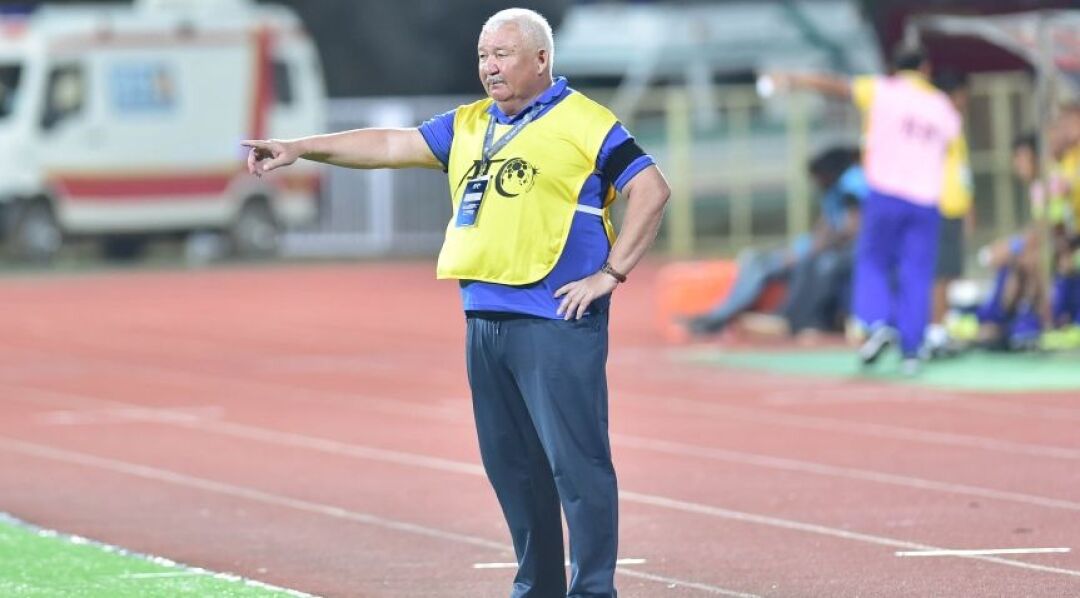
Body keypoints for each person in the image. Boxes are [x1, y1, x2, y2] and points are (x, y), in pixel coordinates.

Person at [243, 9, 669, 598]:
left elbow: (651, 188)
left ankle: (594, 590)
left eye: (503, 54)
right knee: (513, 470)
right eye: (483, 56)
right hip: (484, 317)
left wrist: (611, 274)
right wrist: (299, 148)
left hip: (556, 319)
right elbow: (390, 143)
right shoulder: (470, 123)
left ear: (541, 59)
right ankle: (539, 587)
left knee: (577, 465)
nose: (490, 67)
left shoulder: (585, 121)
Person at [769, 48, 962, 374]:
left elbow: (836, 86)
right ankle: (912, 351)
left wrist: (793, 79)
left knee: (873, 263)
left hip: (887, 195)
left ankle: (878, 322)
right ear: (926, 69)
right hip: (926, 201)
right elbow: (952, 152)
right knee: (916, 273)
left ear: (893, 68)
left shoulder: (883, 90)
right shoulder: (941, 105)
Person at [684, 146, 864, 338]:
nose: (815, 183)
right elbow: (825, 227)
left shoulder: (850, 185)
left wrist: (806, 252)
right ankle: (719, 316)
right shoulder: (833, 192)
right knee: (754, 258)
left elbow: (849, 229)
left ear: (828, 172)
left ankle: (788, 320)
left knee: (814, 263)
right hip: (812, 248)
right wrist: (801, 249)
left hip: (840, 252)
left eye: (817, 177)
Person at [926, 69, 974, 358]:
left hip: (954, 204)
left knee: (949, 271)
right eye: (961, 96)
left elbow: (962, 170)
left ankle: (941, 327)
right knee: (939, 272)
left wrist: (968, 205)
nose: (964, 101)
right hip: (939, 204)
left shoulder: (954, 124)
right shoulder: (936, 123)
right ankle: (934, 331)